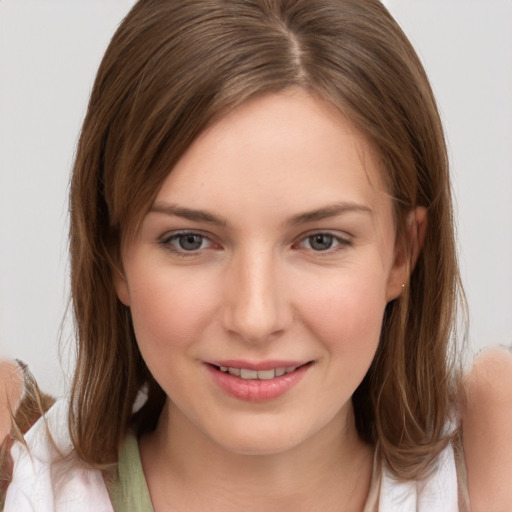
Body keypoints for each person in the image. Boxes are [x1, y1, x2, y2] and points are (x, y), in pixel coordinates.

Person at [2, 0, 512, 510]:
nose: (254, 318)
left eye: (320, 240)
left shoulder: (492, 466)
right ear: (114, 258)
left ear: (402, 253)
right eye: (189, 240)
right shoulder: (24, 480)